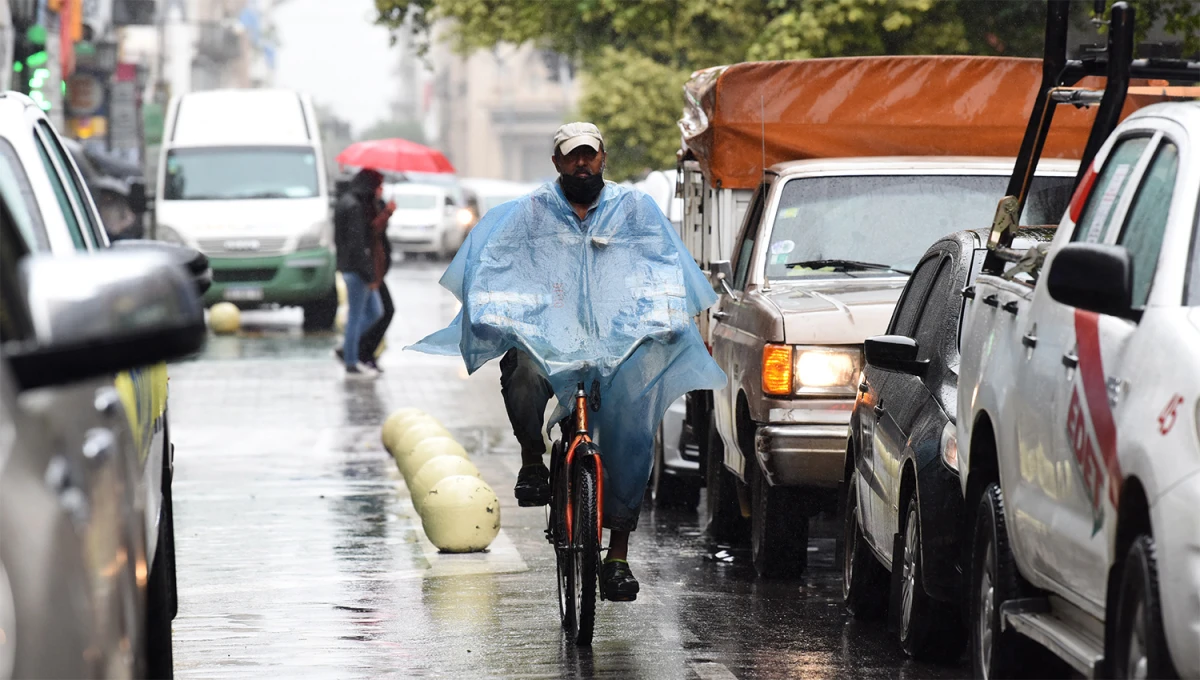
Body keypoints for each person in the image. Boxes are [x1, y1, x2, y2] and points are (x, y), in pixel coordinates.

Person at [409, 123, 723, 601]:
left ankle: (617, 555)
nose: (582, 164)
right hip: (546, 341)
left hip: (615, 346)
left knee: (633, 427)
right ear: (556, 162)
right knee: (523, 374)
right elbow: (496, 272)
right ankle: (533, 459)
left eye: (589, 155)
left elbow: (662, 272)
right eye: (571, 156)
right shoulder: (527, 215)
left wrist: (661, 319)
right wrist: (502, 315)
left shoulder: (634, 211)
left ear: (602, 158)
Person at [334, 168, 386, 379]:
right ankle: (350, 361)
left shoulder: (348, 201)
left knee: (374, 312)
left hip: (353, 268)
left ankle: (348, 348)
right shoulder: (354, 206)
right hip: (357, 271)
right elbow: (357, 244)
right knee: (357, 316)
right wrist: (368, 273)